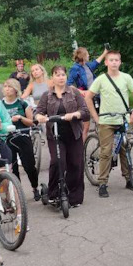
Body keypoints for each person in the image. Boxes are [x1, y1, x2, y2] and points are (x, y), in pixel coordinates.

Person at [86, 51, 133, 198]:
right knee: (106, 151)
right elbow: (88, 97)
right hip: (106, 121)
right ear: (106, 62)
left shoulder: (126, 77)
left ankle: (129, 179)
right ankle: (102, 182)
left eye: (117, 60)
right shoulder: (101, 79)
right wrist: (95, 117)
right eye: (111, 60)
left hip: (123, 119)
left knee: (125, 148)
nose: (114, 62)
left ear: (120, 62)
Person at [35, 65, 90, 206]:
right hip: (55, 134)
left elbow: (85, 111)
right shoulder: (46, 96)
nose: (60, 77)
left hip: (73, 133)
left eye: (63, 75)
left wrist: (74, 114)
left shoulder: (74, 92)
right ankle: (53, 193)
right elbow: (38, 112)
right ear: (52, 77)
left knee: (76, 164)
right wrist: (40, 116)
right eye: (57, 75)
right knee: (57, 162)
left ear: (66, 77)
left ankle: (75, 197)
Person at [1, 78, 40, 199]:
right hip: (7, 139)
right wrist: (8, 121)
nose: (7, 89)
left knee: (29, 166)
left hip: (22, 136)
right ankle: (17, 192)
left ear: (15, 89)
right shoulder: (0, 105)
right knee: (12, 168)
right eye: (5, 86)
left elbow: (31, 122)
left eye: (10, 86)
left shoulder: (23, 103)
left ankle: (35, 187)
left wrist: (21, 118)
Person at [68, 46, 107, 138]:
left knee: (102, 117)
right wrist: (81, 91)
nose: (89, 55)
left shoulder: (88, 65)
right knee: (86, 125)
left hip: (96, 95)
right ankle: (81, 148)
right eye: (87, 54)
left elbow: (97, 62)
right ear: (83, 55)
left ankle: (102, 137)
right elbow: (69, 84)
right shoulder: (75, 68)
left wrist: (105, 52)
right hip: (85, 97)